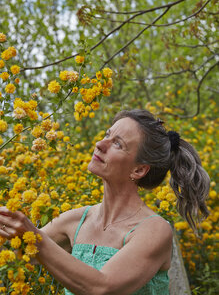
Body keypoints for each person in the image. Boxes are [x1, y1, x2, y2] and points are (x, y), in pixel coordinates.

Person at [0, 109, 210, 295]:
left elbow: (102, 287)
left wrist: (35, 237)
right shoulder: (75, 220)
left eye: (117, 144)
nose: (100, 144)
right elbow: (16, 254)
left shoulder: (154, 230)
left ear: (139, 170)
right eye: (107, 135)